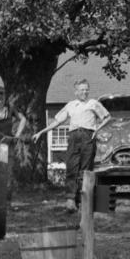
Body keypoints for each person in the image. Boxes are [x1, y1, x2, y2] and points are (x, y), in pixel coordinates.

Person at [32, 79, 110, 212]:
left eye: (86, 89)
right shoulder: (70, 105)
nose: (84, 92)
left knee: (86, 170)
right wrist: (41, 132)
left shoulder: (93, 103)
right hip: (73, 137)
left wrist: (97, 130)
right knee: (71, 168)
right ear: (76, 92)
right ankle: (70, 201)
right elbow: (57, 121)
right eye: (82, 90)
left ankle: (85, 201)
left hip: (88, 136)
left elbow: (107, 117)